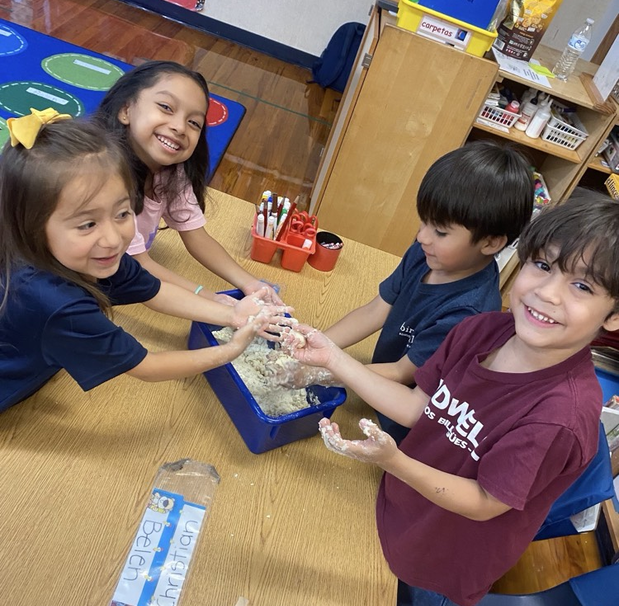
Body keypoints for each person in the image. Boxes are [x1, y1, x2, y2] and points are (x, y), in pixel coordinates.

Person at [280, 192, 619, 606]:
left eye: (582, 286)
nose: (547, 293)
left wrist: (393, 461)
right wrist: (334, 359)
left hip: (442, 557)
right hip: (402, 507)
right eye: (542, 265)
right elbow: (422, 406)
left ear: (613, 317)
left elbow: (485, 501)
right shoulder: (484, 330)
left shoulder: (560, 415)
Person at [0, 110, 288, 413]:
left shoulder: (84, 254)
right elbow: (147, 366)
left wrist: (233, 316)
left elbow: (154, 290)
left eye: (122, 213)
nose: (112, 238)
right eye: (87, 224)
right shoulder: (56, 305)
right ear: (31, 227)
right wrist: (230, 350)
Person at [273, 141, 534, 443]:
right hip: (366, 382)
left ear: (490, 243)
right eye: (424, 221)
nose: (422, 236)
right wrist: (311, 349)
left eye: (441, 231)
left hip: (398, 422)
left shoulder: (467, 312)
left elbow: (401, 373)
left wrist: (318, 372)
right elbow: (374, 311)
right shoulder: (426, 253)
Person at [96, 60, 282, 305]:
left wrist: (251, 284)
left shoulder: (171, 173)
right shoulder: (103, 178)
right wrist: (212, 300)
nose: (180, 127)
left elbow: (196, 236)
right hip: (87, 286)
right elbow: (138, 266)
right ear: (126, 109)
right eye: (166, 107)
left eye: (194, 122)